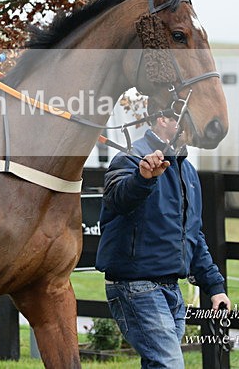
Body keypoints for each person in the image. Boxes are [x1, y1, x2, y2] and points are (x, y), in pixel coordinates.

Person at [95, 102, 231, 368]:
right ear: (162, 120)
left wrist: (214, 287)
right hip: (136, 286)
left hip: (171, 287)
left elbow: (192, 236)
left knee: (159, 364)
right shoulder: (130, 157)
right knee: (169, 364)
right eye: (186, 118)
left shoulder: (187, 171)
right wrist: (143, 178)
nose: (193, 124)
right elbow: (117, 199)